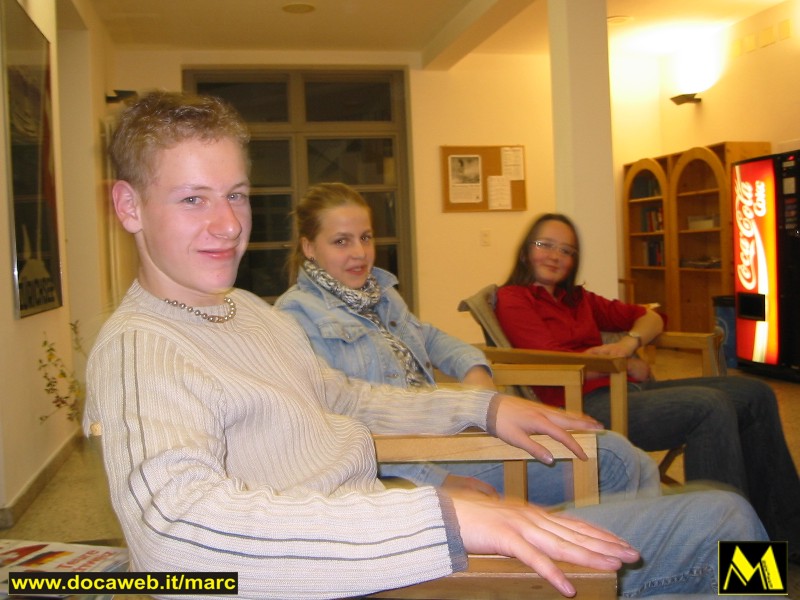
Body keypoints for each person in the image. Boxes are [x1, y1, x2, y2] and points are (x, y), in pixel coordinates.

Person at [83, 91, 767, 599]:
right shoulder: (143, 348)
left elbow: (348, 397)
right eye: (193, 199)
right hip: (379, 571)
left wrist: (484, 408)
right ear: (128, 206)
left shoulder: (249, 315)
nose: (229, 224)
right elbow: (175, 537)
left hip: (394, 543)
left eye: (235, 195)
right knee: (723, 526)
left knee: (714, 524)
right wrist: (442, 514)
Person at [275, 182, 660, 505]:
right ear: (309, 247)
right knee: (612, 459)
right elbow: (339, 432)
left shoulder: (381, 293)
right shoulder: (296, 316)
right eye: (341, 241)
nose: (359, 253)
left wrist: (475, 369)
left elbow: (430, 337)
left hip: (443, 436)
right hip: (400, 468)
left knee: (636, 461)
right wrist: (440, 481)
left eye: (365, 237)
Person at [494, 211, 799, 559]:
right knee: (709, 407)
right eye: (545, 245)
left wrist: (630, 343)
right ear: (526, 250)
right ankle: (725, 554)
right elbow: (549, 361)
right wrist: (621, 365)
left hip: (625, 390)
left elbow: (651, 316)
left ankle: (787, 535)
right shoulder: (514, 298)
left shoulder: (579, 300)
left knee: (755, 393)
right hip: (578, 406)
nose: (555, 256)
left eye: (566, 250)